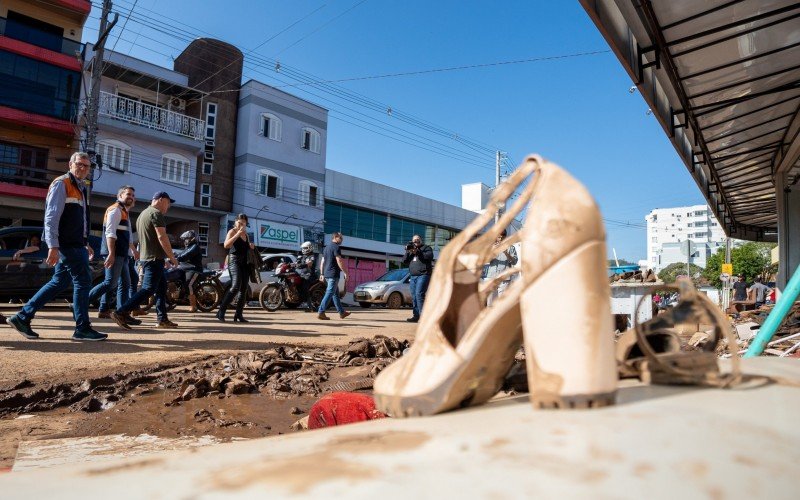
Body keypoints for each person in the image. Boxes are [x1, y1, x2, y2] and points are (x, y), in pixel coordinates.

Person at [6, 152, 107, 341]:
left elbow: (79, 220)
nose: (84, 168)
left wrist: (85, 242)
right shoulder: (62, 184)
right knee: (84, 281)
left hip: (75, 244)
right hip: (67, 245)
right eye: (80, 164)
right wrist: (52, 246)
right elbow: (51, 218)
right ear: (70, 164)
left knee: (59, 282)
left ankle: (22, 317)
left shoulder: (80, 187)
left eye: (87, 166)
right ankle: (82, 328)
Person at [111, 192, 179, 330]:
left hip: (150, 257)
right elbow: (162, 237)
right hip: (153, 259)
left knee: (161, 289)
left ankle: (162, 319)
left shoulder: (143, 214)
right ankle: (120, 312)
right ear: (160, 200)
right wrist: (172, 257)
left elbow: (150, 240)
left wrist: (164, 259)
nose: (169, 206)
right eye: (168, 202)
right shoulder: (156, 213)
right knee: (148, 288)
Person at [87, 186, 137, 321]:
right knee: (110, 283)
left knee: (125, 283)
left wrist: (132, 249)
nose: (131, 197)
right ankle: (81, 303)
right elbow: (110, 233)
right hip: (115, 253)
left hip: (122, 253)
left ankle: (119, 313)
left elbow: (126, 235)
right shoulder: (115, 210)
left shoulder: (124, 211)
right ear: (120, 195)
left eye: (132, 195)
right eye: (128, 194)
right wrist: (111, 253)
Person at [217, 213, 254, 322]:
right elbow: (226, 245)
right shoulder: (232, 231)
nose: (241, 225)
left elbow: (246, 249)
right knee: (235, 286)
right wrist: (238, 233)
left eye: (244, 223)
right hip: (234, 261)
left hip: (245, 263)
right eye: (240, 223)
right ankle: (221, 311)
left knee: (244, 289)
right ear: (235, 222)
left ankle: (238, 314)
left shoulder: (246, 235)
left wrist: (251, 247)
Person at [317, 232, 350, 320]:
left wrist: (322, 273)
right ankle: (321, 312)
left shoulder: (326, 248)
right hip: (333, 274)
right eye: (341, 238)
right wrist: (346, 272)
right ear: (335, 237)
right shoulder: (336, 247)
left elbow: (322, 262)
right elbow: (339, 261)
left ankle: (341, 312)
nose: (342, 240)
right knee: (330, 293)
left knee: (335, 294)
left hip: (327, 274)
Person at [482, 229, 518, 305]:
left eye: (502, 237)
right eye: (499, 237)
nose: (500, 239)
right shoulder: (490, 247)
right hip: (491, 278)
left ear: (505, 236)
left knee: (502, 303)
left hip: (504, 279)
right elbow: (485, 261)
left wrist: (506, 252)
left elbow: (514, 261)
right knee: (490, 303)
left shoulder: (511, 248)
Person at [403, 234, 434, 323]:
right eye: (414, 240)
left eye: (417, 239)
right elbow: (404, 261)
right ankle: (416, 316)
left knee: (419, 294)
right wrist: (408, 251)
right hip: (413, 277)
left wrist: (417, 251)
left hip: (423, 275)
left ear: (421, 240)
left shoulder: (426, 248)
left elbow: (428, 257)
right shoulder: (411, 251)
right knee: (414, 297)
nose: (416, 241)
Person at [177, 229, 204, 312]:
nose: (185, 240)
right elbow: (180, 254)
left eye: (187, 238)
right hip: (184, 269)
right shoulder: (187, 247)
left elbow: (185, 256)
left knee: (188, 284)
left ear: (192, 238)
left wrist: (177, 258)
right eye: (185, 239)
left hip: (194, 269)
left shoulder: (195, 247)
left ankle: (193, 305)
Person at [295, 241, 318, 312]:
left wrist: (302, 265)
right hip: (302, 275)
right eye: (303, 248)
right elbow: (297, 263)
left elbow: (310, 264)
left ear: (309, 248)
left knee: (305, 287)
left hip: (310, 275)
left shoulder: (312, 256)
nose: (303, 249)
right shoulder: (303, 256)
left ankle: (309, 306)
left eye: (305, 248)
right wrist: (294, 263)